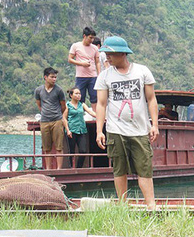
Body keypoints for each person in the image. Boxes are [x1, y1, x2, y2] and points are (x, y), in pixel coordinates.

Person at [94, 36, 159, 210]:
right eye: (106, 54)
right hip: (116, 130)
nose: (107, 58)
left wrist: (155, 125)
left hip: (140, 130)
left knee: (144, 168)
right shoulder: (104, 76)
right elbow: (101, 104)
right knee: (119, 169)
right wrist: (99, 130)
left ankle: (151, 205)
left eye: (110, 54)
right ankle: (123, 205)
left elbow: (151, 99)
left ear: (122, 53)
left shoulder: (142, 71)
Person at [34, 67, 67, 169]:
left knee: (59, 146)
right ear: (45, 77)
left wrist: (57, 115)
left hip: (57, 120)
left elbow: (63, 106)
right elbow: (39, 105)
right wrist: (45, 113)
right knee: (46, 147)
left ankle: (59, 169)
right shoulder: (39, 90)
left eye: (55, 77)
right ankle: (48, 169)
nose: (54, 79)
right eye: (52, 77)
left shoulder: (59, 90)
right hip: (44, 121)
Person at [69, 27, 101, 111]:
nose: (92, 40)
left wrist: (99, 74)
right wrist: (81, 64)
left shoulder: (95, 48)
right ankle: (80, 115)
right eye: (90, 37)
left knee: (94, 96)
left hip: (93, 76)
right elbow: (70, 59)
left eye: (93, 38)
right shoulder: (76, 46)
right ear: (84, 36)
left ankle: (95, 115)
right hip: (80, 76)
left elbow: (97, 62)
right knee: (80, 97)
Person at [63, 87, 96, 168]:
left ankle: (79, 167)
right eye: (76, 93)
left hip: (82, 130)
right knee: (72, 151)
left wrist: (101, 117)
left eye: (79, 93)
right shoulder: (67, 105)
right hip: (72, 129)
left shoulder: (82, 105)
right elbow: (64, 118)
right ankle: (72, 168)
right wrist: (67, 130)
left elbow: (90, 112)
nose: (79, 95)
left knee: (83, 150)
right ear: (71, 95)